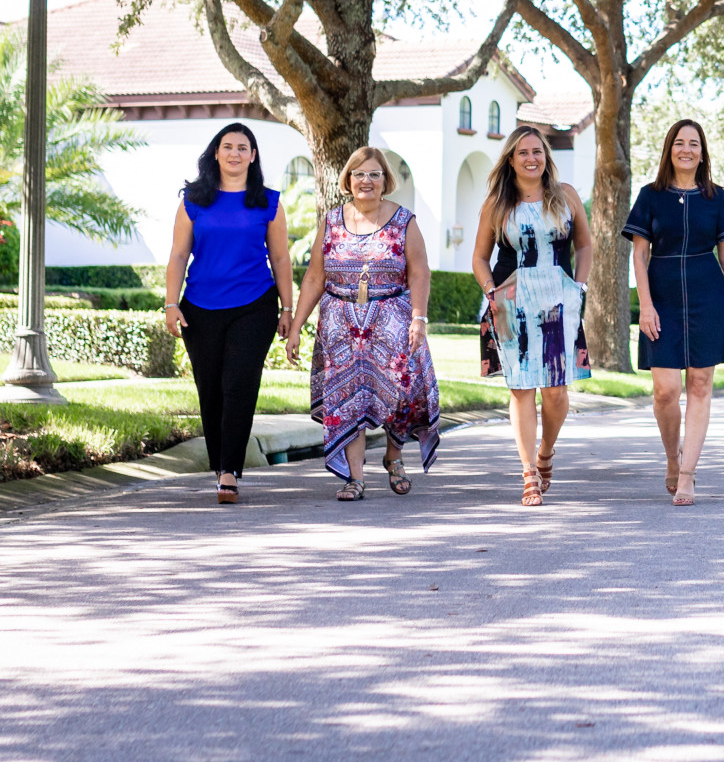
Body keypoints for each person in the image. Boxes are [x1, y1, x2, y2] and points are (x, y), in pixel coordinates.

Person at [286, 147, 441, 501]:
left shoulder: (404, 220)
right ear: (347, 180)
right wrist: (296, 327)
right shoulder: (331, 220)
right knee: (347, 400)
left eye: (374, 174)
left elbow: (419, 271)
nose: (366, 181)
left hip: (394, 321)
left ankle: (394, 454)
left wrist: (419, 317)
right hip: (341, 327)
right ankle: (355, 478)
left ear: (385, 180)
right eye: (359, 174)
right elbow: (313, 278)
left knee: (399, 395)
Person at [163, 123, 294, 505]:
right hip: (200, 308)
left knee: (239, 384)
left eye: (243, 147)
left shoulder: (268, 202)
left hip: (255, 305)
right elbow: (177, 255)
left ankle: (229, 472)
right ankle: (221, 462)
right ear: (216, 154)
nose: (235, 153)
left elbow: (281, 258)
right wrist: (171, 303)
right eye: (228, 146)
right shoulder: (193, 199)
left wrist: (287, 308)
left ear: (253, 156)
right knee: (211, 388)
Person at [625, 120, 724, 506]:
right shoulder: (649, 196)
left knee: (699, 384)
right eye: (680, 143)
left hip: (707, 298)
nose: (687, 150)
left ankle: (689, 474)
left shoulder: (716, 197)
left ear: (702, 152)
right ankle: (672, 458)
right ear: (669, 149)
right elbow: (639, 254)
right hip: (660, 298)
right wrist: (645, 304)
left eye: (694, 144)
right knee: (666, 391)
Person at [472, 125, 593, 507]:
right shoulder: (496, 203)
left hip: (559, 301)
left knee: (556, 391)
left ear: (546, 157)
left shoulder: (566, 196)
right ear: (511, 159)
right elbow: (479, 257)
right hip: (513, 302)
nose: (531, 158)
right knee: (521, 388)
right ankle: (528, 474)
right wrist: (492, 290)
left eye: (537, 151)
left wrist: (580, 286)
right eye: (523, 152)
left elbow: (585, 245)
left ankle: (545, 453)